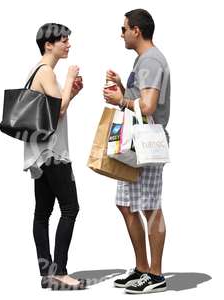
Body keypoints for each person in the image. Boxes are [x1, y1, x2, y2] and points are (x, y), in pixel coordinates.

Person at [103, 9, 170, 294]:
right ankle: (142, 268)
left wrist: (121, 100)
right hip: (134, 142)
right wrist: (122, 88)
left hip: (147, 142)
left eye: (124, 29)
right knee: (126, 204)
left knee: (150, 207)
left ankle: (156, 274)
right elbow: (139, 99)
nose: (121, 34)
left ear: (136, 31)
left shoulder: (152, 60)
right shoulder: (142, 60)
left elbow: (148, 107)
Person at [23, 23, 86, 290]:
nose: (68, 44)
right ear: (49, 44)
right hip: (52, 153)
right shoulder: (47, 70)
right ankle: (59, 272)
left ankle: (47, 272)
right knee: (70, 208)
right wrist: (70, 78)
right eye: (64, 40)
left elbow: (55, 106)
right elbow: (58, 111)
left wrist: (71, 92)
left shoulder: (38, 71)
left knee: (43, 213)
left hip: (40, 154)